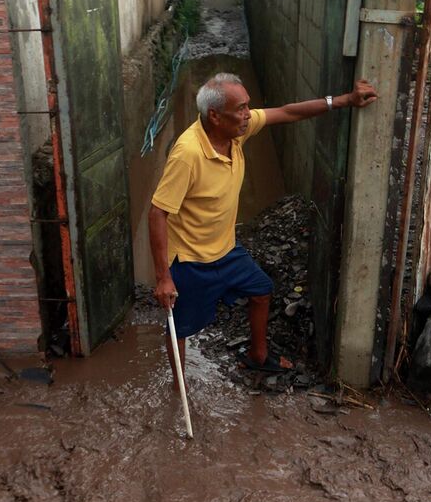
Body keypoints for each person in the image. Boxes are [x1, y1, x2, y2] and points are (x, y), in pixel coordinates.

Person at [148, 73, 377, 384]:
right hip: (190, 259)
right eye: (241, 109)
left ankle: (257, 356)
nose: (248, 115)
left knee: (261, 289)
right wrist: (163, 277)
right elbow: (157, 212)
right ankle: (179, 386)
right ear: (214, 116)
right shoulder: (187, 155)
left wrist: (344, 101)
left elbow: (287, 112)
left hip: (226, 249)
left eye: (248, 107)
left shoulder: (235, 132)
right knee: (180, 325)